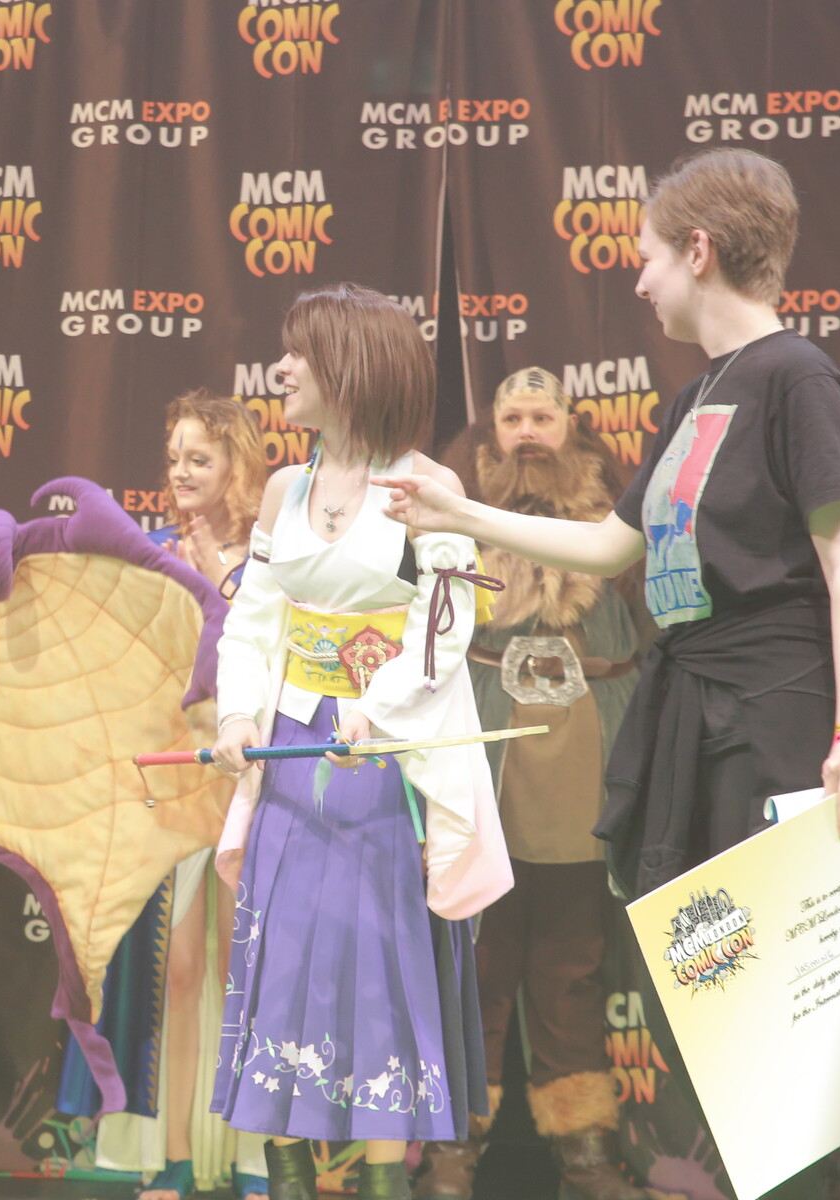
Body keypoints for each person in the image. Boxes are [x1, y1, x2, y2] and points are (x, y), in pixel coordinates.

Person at [375, 147, 840, 1199]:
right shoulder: (697, 395)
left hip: (776, 717)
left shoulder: (797, 378)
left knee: (779, 998)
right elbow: (613, 546)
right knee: (704, 989)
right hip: (693, 714)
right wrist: (459, 510)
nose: (640, 281)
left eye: (647, 257)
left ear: (699, 251)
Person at [211, 282, 501, 1200]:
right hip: (290, 752)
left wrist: (376, 709)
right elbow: (254, 619)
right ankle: (288, 1178)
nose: (281, 369)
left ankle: (382, 1183)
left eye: (299, 353)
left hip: (382, 760)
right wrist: (236, 713)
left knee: (375, 957)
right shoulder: (284, 488)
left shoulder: (428, 487)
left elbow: (443, 628)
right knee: (281, 954)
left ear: (351, 366)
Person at [418, 369, 646, 1200]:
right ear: (489, 433)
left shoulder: (620, 519)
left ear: (570, 426)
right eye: (511, 417)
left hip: (586, 760)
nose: (526, 433)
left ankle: (584, 1154)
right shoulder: (449, 513)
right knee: (476, 963)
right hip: (484, 761)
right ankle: (452, 1153)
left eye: (541, 417)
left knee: (572, 966)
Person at [62, 390, 271, 1200]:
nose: (181, 472)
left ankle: (255, 1161)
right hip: (180, 781)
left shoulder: (273, 557)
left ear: (236, 465)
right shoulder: (151, 552)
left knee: (243, 970)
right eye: (175, 457)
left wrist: (221, 579)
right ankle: (176, 1157)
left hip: (255, 779)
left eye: (200, 459)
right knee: (180, 973)